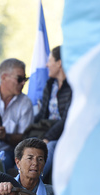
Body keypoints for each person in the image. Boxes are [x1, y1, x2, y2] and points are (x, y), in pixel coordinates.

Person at [33, 45, 72, 178]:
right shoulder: (50, 85)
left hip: (64, 135)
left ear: (59, 63)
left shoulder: (73, 86)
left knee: (48, 148)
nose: (46, 64)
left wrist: (47, 138)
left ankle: (33, 184)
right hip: (47, 130)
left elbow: (67, 119)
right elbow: (42, 114)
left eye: (50, 61)